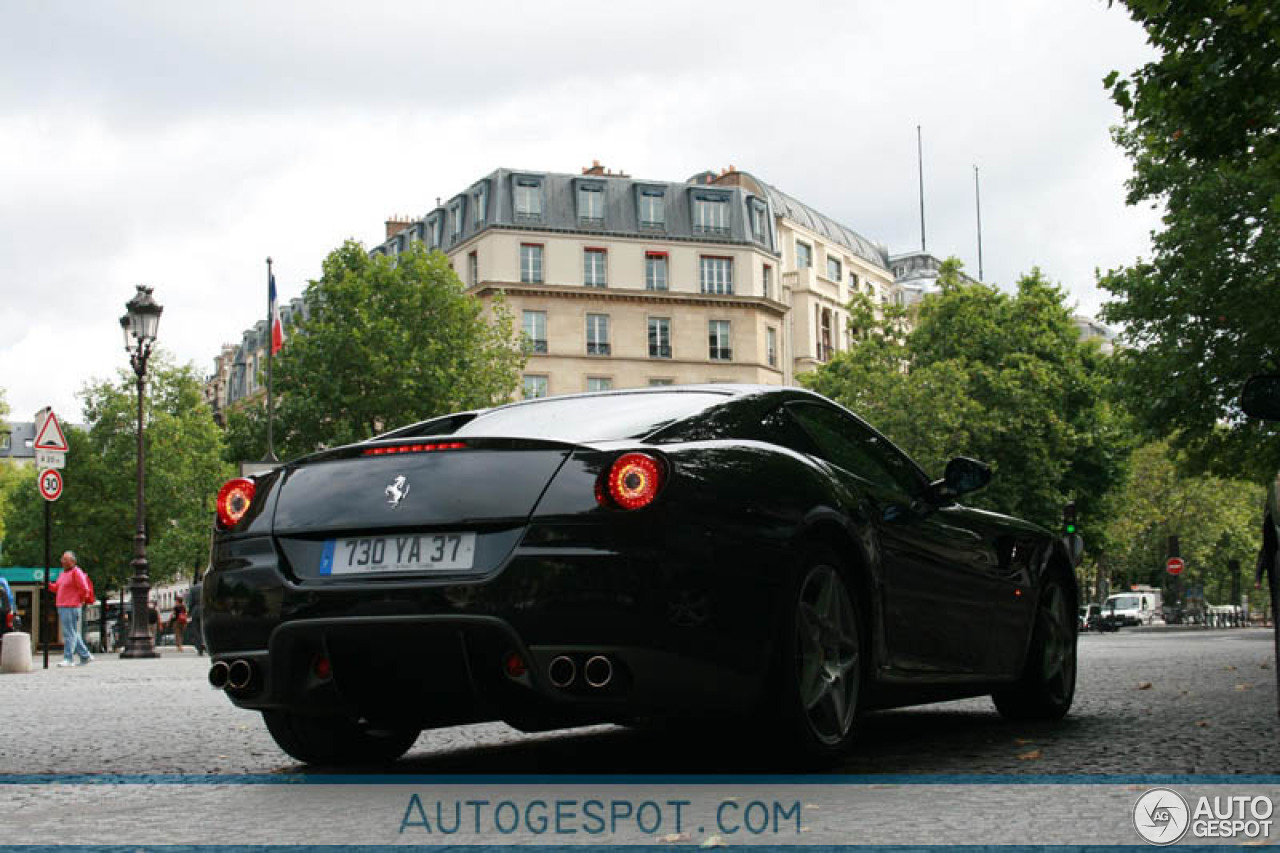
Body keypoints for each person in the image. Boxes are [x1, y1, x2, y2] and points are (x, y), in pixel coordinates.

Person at [48, 551, 93, 667]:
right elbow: (57, 588)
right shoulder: (63, 574)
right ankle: (85, 655)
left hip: (71, 606)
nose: (62, 561)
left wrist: (80, 601)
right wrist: (49, 585)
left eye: (65, 559)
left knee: (69, 633)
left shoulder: (76, 572)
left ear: (72, 561)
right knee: (73, 632)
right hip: (63, 605)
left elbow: (84, 589)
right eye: (62, 559)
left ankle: (68, 658)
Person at [187, 577, 205, 656]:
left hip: (196, 610)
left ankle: (199, 647)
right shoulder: (207, 586)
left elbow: (190, 602)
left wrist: (189, 612)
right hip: (206, 610)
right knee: (204, 629)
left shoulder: (194, 588)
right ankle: (205, 644)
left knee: (196, 630)